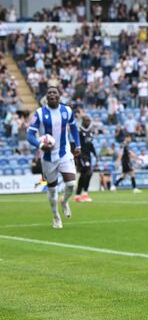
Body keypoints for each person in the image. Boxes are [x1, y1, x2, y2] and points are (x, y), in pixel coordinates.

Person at [27, 86, 81, 229]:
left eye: (54, 92)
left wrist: (78, 145)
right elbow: (30, 135)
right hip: (48, 157)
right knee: (52, 190)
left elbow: (74, 127)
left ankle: (64, 201)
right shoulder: (39, 113)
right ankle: (56, 218)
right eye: (49, 92)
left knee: (71, 185)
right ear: (46, 97)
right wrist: (40, 145)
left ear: (59, 96)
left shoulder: (67, 110)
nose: (52, 94)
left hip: (64, 152)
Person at [74, 115, 97, 202]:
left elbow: (90, 145)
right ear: (83, 122)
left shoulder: (90, 132)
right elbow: (76, 143)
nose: (88, 122)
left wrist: (95, 154)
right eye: (87, 121)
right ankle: (82, 194)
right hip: (82, 155)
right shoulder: (79, 131)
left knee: (86, 174)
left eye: (89, 121)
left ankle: (81, 194)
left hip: (88, 156)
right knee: (87, 171)